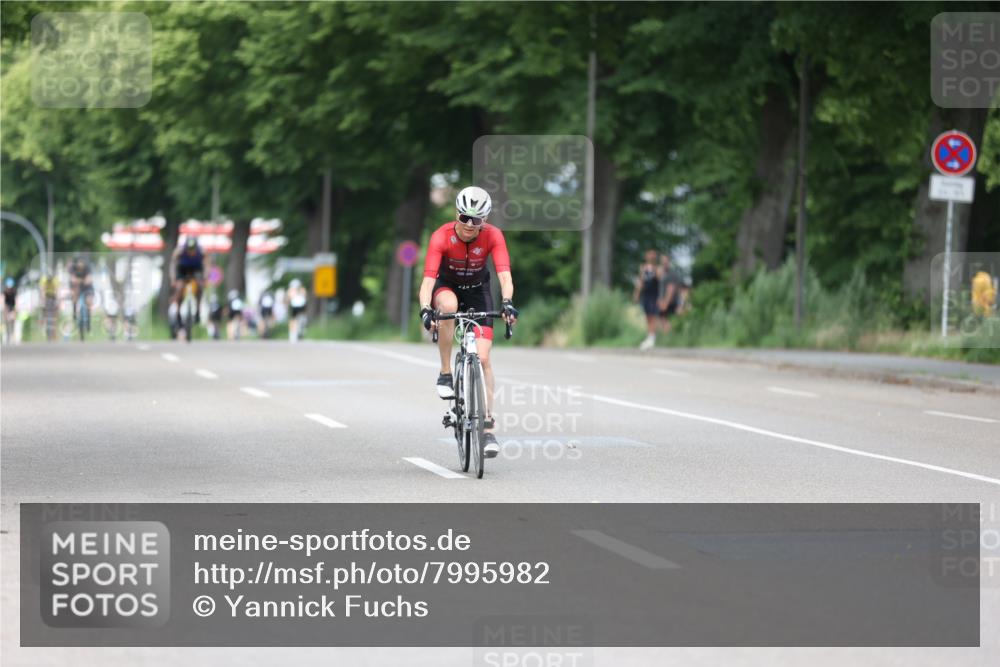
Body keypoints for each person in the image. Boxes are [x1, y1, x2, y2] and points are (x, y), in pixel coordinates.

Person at [418, 186, 518, 458]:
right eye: (464, 218)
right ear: (457, 215)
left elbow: (505, 276)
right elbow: (428, 280)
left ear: (484, 221)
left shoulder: (493, 236)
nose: (468, 226)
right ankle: (446, 371)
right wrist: (426, 309)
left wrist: (507, 302)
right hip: (446, 286)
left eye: (476, 221)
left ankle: (486, 427)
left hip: (477, 291)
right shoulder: (442, 236)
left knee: (484, 359)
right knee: (448, 307)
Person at [170, 237, 206, 330]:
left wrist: (205, 277)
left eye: (192, 249)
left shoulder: (201, 252)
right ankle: (178, 312)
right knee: (180, 287)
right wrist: (173, 279)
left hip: (196, 269)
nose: (191, 251)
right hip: (182, 269)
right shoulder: (179, 251)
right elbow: (173, 264)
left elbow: (207, 264)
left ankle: (198, 310)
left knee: (200, 286)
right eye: (189, 249)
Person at [633, 249, 660, 350]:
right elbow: (641, 281)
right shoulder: (643, 267)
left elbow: (659, 279)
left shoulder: (657, 268)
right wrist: (637, 294)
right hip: (646, 295)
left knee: (653, 316)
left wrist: (652, 269)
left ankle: (652, 337)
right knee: (648, 316)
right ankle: (649, 337)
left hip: (655, 295)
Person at [657, 254, 684, 336]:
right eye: (662, 261)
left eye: (665, 261)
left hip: (671, 301)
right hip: (664, 300)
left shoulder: (671, 274)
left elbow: (670, 289)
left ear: (668, 262)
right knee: (663, 319)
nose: (664, 263)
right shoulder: (662, 274)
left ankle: (670, 336)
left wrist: (665, 302)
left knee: (666, 319)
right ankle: (669, 337)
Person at [68, 254, 94, 321]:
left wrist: (81, 280)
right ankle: (74, 312)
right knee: (74, 294)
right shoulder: (73, 268)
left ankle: (88, 317)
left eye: (81, 262)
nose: (80, 264)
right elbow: (72, 279)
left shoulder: (87, 267)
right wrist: (80, 281)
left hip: (87, 286)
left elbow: (89, 279)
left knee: (89, 300)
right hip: (76, 286)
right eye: (78, 262)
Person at [3, 277, 17, 344]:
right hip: (7, 307)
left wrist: (15, 310)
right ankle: (7, 336)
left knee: (12, 321)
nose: (9, 289)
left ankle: (12, 336)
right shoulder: (5, 292)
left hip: (13, 306)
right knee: (6, 321)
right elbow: (4, 303)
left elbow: (16, 301)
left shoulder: (14, 292)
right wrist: (5, 312)